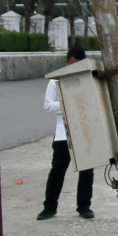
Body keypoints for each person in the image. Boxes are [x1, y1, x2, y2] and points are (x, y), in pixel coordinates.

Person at [37, 44, 95, 220]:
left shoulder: (88, 79)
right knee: (57, 171)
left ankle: (84, 206)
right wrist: (68, 102)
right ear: (66, 62)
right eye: (70, 64)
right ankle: (49, 207)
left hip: (84, 131)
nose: (72, 67)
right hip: (63, 133)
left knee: (86, 171)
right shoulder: (55, 81)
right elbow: (48, 105)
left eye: (76, 64)